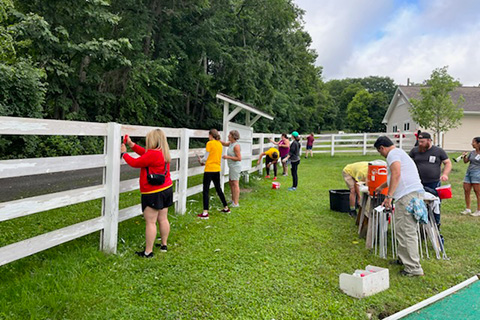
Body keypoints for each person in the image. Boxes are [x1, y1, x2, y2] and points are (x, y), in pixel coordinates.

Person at [374, 136, 424, 277]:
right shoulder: (399, 153)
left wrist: (389, 197)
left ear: (382, 148)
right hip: (409, 195)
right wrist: (381, 187)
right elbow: (394, 177)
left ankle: (414, 268)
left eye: (380, 152)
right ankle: (403, 259)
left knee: (407, 231)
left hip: (408, 196)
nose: (381, 155)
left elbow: (396, 174)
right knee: (401, 229)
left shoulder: (392, 154)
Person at [121, 129, 173, 258]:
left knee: (150, 222)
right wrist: (132, 144)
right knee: (163, 218)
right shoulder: (164, 153)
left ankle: (148, 252)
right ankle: (164, 245)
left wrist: (124, 154)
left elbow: (135, 163)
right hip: (166, 189)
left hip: (153, 192)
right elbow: (144, 154)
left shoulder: (152, 155)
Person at [409, 132, 451, 227]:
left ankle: (435, 224)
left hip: (433, 183)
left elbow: (448, 163)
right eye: (419, 142)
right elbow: (408, 163)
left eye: (422, 142)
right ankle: (418, 225)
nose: (420, 144)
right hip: (418, 183)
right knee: (417, 203)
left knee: (435, 204)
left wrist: (445, 174)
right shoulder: (415, 151)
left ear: (429, 141)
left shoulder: (438, 151)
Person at [196, 129, 230, 219]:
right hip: (217, 169)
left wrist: (200, 160)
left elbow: (206, 157)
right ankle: (226, 207)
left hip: (209, 169)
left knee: (206, 190)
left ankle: (205, 212)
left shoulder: (209, 143)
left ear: (211, 135)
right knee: (218, 188)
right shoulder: (219, 144)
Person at [221, 130, 242, 207]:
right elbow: (223, 143)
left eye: (229, 135)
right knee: (231, 182)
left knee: (235, 183)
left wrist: (227, 157)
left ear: (233, 136)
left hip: (235, 167)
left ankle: (236, 203)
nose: (228, 136)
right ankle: (233, 199)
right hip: (231, 166)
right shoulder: (230, 143)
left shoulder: (236, 146)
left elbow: (239, 158)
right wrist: (216, 139)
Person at [461, 137, 480, 216]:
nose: (472, 144)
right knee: (466, 190)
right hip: (469, 173)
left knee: (477, 192)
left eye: (473, 142)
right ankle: (468, 209)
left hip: (477, 173)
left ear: (479, 144)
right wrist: (464, 156)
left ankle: (478, 210)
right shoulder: (472, 152)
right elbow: (466, 162)